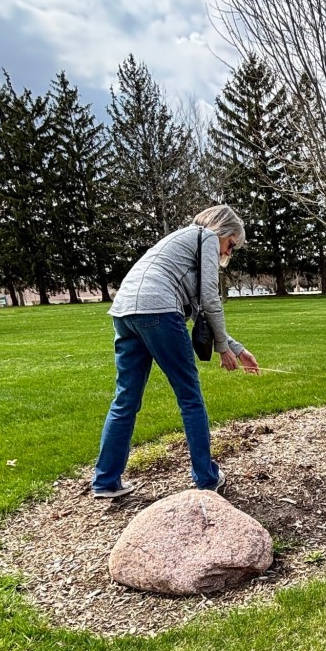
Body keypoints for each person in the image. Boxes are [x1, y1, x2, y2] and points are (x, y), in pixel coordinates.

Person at [92, 204, 260, 498]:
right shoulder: (206, 237)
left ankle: (106, 481)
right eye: (231, 244)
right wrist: (222, 350)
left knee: (126, 399)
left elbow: (199, 314)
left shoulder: (178, 244)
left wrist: (237, 348)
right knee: (190, 397)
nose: (229, 253)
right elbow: (211, 299)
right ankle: (207, 478)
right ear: (221, 229)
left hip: (124, 313)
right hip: (159, 310)